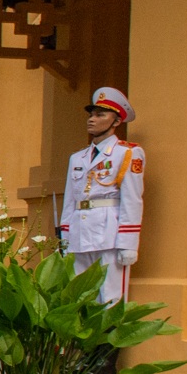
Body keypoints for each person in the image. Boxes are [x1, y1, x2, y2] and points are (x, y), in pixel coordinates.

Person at [59, 87, 145, 306]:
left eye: (100, 115)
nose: (92, 120)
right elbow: (70, 201)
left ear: (116, 122)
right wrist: (64, 239)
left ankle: (107, 341)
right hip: (79, 232)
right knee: (80, 295)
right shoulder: (77, 158)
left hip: (109, 234)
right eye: (91, 114)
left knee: (110, 296)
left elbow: (132, 199)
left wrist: (128, 243)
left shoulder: (127, 153)